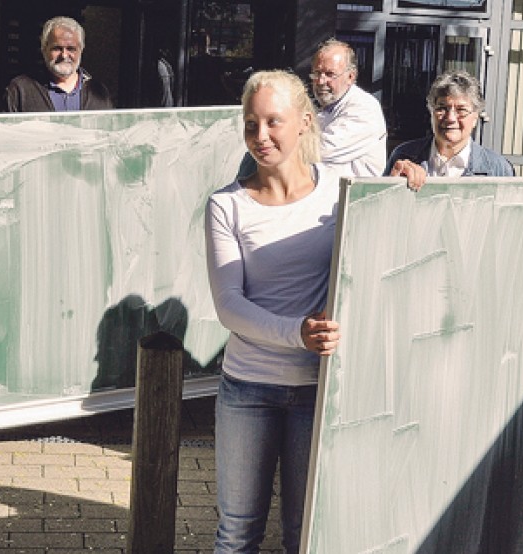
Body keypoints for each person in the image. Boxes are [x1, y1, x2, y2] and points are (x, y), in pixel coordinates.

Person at [206, 70, 341, 553]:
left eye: (273, 122)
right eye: (250, 124)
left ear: (305, 122)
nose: (260, 137)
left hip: (317, 391)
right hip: (248, 391)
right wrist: (296, 333)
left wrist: (412, 179)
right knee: (238, 532)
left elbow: (387, 237)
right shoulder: (227, 205)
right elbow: (229, 306)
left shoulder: (340, 193)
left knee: (303, 536)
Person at [384, 69, 513, 187]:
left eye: (461, 110)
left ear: (475, 118)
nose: (450, 118)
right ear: (431, 113)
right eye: (442, 108)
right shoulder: (404, 155)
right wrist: (394, 183)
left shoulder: (497, 169)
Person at [310, 38, 387, 177]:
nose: (321, 81)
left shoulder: (364, 108)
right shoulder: (328, 107)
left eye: (330, 74)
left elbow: (319, 150)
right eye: (316, 73)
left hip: (354, 197)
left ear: (351, 77)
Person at [5, 16, 112, 112]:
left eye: (71, 49)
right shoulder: (21, 90)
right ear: (44, 49)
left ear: (81, 50)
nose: (64, 55)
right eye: (57, 48)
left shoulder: (98, 92)